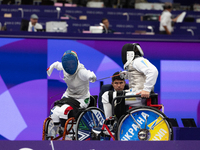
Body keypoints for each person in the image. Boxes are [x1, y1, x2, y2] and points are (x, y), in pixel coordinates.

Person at [46, 50, 96, 138]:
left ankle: (66, 135)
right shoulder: (65, 68)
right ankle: (54, 136)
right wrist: (51, 67)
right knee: (54, 111)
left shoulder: (81, 72)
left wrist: (92, 77)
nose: (70, 66)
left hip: (82, 98)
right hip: (68, 95)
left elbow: (88, 74)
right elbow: (57, 64)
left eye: (72, 63)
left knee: (64, 111)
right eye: (67, 64)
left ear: (76, 61)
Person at [103, 43, 158, 119]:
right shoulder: (135, 62)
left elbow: (153, 71)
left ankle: (109, 122)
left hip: (139, 96)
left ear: (129, 54)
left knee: (106, 96)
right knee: (116, 95)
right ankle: (116, 121)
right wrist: (127, 75)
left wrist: (146, 89)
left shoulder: (138, 61)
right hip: (136, 94)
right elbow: (138, 76)